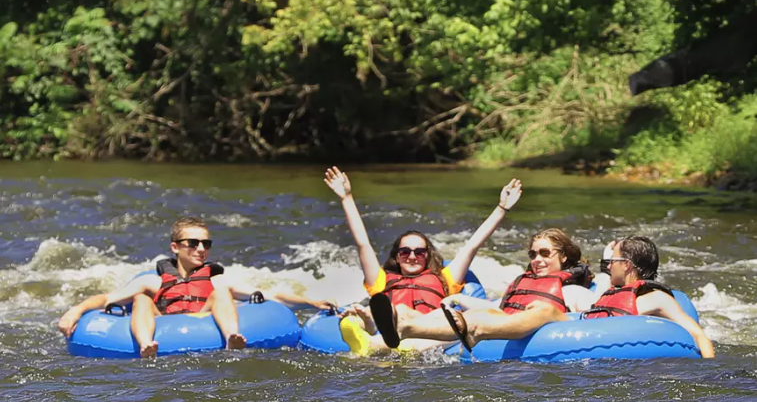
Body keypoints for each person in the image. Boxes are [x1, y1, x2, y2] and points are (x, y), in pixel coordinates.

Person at [371, 235, 715, 359]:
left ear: (630, 265)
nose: (606, 266)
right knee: (491, 317)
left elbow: (695, 332)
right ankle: (405, 325)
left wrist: (708, 374)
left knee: (543, 309)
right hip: (565, 327)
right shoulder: (604, 290)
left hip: (565, 325)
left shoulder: (652, 297)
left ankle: (414, 327)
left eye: (611, 261)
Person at [58, 217, 332, 358]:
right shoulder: (152, 281)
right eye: (193, 243)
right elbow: (107, 298)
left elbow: (270, 294)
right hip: (165, 321)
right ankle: (145, 345)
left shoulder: (215, 280)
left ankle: (232, 338)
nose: (201, 249)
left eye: (206, 244)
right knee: (141, 299)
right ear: (175, 247)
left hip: (207, 313)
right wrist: (76, 310)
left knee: (222, 292)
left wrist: (311, 302)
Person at [323, 166, 523, 355]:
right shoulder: (382, 279)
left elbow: (472, 245)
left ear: (428, 255)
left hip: (428, 324)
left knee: (404, 312)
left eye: (419, 252)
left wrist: (501, 208)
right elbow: (363, 244)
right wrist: (346, 198)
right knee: (365, 313)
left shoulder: (446, 276)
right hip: (389, 323)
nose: (412, 256)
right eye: (405, 252)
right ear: (397, 256)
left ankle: (375, 343)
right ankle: (362, 324)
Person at [581, 236, 714, 358]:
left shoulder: (657, 298)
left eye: (612, 261)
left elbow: (699, 335)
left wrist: (709, 370)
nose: (609, 266)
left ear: (627, 265)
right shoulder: (610, 294)